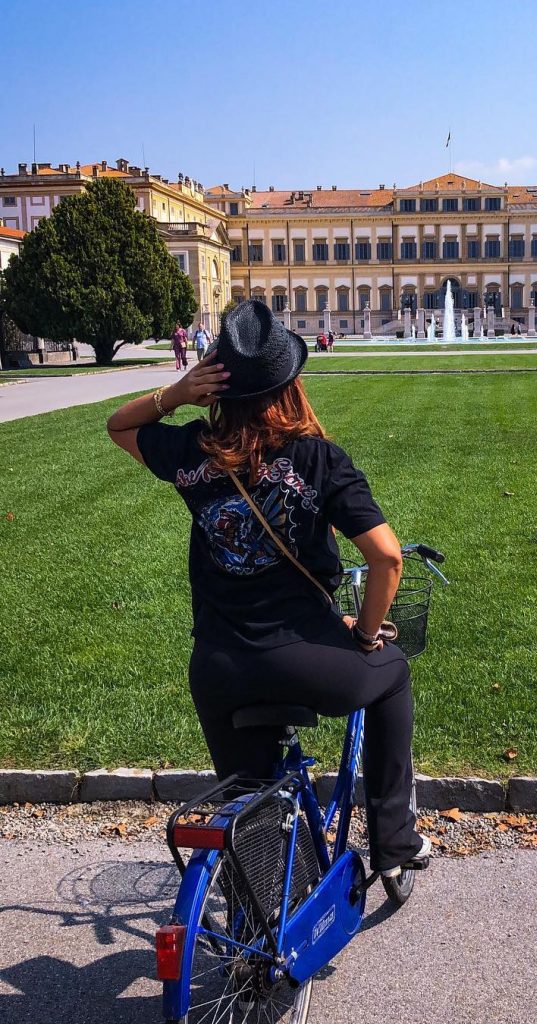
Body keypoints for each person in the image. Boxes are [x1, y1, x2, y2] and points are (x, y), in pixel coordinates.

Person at [105, 299, 429, 877]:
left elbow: (119, 426)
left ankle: (259, 924)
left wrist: (176, 394)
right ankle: (395, 843)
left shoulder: (190, 452)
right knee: (393, 674)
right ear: (289, 384)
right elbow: (386, 558)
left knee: (247, 800)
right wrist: (366, 631)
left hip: (218, 666)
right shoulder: (318, 458)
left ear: (217, 387)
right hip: (302, 657)